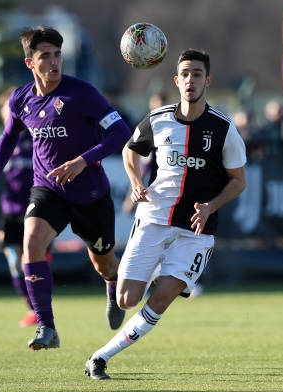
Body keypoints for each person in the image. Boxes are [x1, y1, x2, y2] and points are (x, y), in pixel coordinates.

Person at [84, 49, 247, 380]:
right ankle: (117, 284)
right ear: (177, 80)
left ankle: (100, 358)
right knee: (127, 299)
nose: (190, 80)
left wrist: (211, 206)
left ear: (207, 80)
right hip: (154, 218)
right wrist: (134, 181)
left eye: (197, 74)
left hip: (196, 231)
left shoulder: (223, 129)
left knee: (160, 299)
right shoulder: (158, 119)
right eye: (185, 74)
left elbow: (238, 181)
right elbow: (130, 151)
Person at [0, 26, 131, 350]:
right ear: (30, 62)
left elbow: (120, 133)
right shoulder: (21, 98)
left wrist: (83, 161)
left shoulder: (82, 93)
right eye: (45, 56)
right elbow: (7, 139)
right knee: (31, 242)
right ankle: (47, 327)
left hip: (89, 192)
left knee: (103, 261)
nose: (54, 62)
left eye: (57, 55)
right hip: (48, 189)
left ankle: (112, 284)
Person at [0, 87, 42, 328]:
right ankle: (31, 308)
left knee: (30, 260)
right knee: (14, 260)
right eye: (6, 110)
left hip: (36, 210)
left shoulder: (35, 140)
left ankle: (40, 305)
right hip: (10, 210)